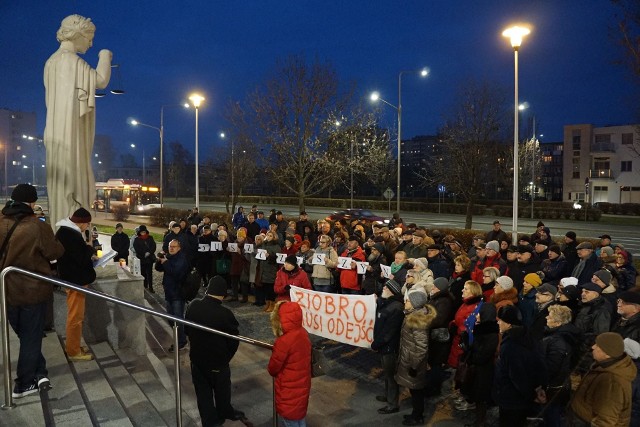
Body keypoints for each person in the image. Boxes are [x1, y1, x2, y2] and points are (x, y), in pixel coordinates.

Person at [44, 15, 112, 227]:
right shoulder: (72, 61)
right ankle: (73, 223)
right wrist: (105, 56)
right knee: (76, 177)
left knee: (61, 179)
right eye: (89, 38)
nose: (91, 43)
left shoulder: (51, 62)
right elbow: (100, 80)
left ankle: (60, 222)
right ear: (78, 35)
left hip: (56, 130)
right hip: (70, 131)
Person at [1, 184, 65, 397]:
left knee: (25, 334)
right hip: (32, 290)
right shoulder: (37, 226)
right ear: (31, 202)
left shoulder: (1, 221)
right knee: (31, 336)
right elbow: (55, 251)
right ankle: (24, 383)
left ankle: (40, 371)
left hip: (6, 290)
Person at [185, 276, 244, 426]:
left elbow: (187, 330)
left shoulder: (193, 305)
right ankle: (224, 411)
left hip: (197, 359)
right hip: (218, 361)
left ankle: (209, 421)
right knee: (222, 389)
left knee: (203, 393)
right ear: (223, 294)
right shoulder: (224, 313)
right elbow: (233, 340)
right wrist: (226, 357)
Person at [493, 305, 547, 427]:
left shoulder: (510, 345)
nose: (498, 323)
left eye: (501, 320)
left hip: (511, 398)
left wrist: (532, 395)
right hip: (520, 398)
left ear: (509, 324)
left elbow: (517, 376)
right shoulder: (527, 337)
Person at [55, 207, 97, 362]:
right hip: (75, 281)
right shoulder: (70, 235)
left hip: (72, 278)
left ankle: (74, 346)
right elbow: (80, 258)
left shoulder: (65, 231)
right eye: (88, 224)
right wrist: (89, 246)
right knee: (76, 317)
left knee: (76, 315)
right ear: (82, 223)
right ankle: (73, 351)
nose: (88, 227)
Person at [570, 332, 637, 425]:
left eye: (597, 346)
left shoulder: (612, 381)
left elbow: (606, 421)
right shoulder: (606, 366)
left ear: (607, 354)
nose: (593, 347)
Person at [394, 290, 436, 426]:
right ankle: (416, 414)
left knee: (416, 390)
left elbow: (422, 347)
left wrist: (414, 366)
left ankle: (417, 416)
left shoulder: (417, 321)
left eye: (407, 300)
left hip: (414, 363)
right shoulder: (412, 315)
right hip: (410, 359)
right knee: (414, 389)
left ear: (414, 304)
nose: (405, 302)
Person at [268, 301, 312, 427]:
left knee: (290, 421)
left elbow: (273, 368)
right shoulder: (303, 333)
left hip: (288, 390)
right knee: (299, 419)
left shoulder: (284, 341)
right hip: (302, 386)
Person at [540, 305, 582, 427]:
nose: (547, 317)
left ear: (558, 322)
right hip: (555, 386)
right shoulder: (556, 335)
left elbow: (552, 367)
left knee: (552, 417)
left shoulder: (559, 341)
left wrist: (540, 382)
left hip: (554, 388)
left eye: (550, 316)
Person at [371, 280, 405, 415]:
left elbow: (388, 332)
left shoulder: (396, 308)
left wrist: (376, 344)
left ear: (391, 290)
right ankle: (388, 396)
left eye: (385, 286)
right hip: (383, 346)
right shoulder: (388, 303)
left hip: (389, 347)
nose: (383, 288)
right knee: (386, 373)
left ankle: (393, 404)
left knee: (391, 376)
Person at [155, 239, 190, 352]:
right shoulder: (169, 257)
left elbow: (175, 273)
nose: (171, 248)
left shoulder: (181, 259)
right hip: (169, 292)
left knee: (178, 319)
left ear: (179, 248)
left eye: (174, 246)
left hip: (178, 294)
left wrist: (165, 262)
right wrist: (159, 259)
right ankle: (181, 338)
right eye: (170, 246)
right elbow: (158, 268)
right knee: (170, 318)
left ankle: (181, 342)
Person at [133, 225, 157, 292]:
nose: (143, 233)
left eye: (144, 232)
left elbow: (154, 246)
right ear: (139, 232)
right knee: (143, 273)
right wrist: (144, 253)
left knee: (149, 273)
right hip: (142, 259)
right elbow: (137, 249)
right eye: (141, 232)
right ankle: (144, 286)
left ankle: (151, 287)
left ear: (146, 232)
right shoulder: (136, 239)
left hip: (149, 259)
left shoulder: (150, 238)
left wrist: (149, 252)